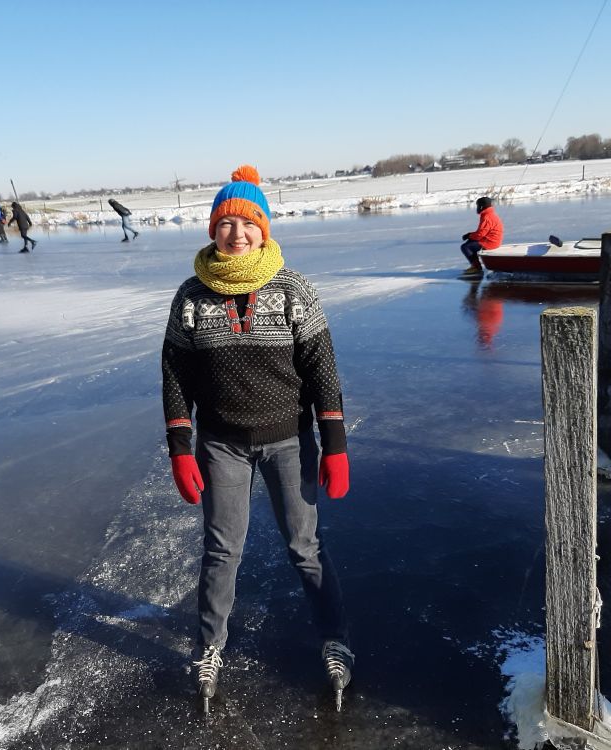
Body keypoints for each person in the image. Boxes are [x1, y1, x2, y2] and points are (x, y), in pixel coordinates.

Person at [161, 165, 354, 715]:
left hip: (290, 441)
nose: (236, 234)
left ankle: (336, 640)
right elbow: (175, 373)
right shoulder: (191, 297)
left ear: (264, 229)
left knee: (304, 547)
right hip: (221, 444)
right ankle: (209, 650)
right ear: (211, 230)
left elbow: (322, 369)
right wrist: (180, 446)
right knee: (223, 550)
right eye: (226, 224)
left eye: (247, 224)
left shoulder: (294, 288)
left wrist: (334, 443)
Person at [460, 196, 503, 273]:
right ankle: (475, 265)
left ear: (482, 206)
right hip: (490, 239)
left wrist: (469, 235)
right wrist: (470, 235)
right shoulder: (490, 214)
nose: (477, 208)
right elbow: (482, 232)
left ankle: (476, 267)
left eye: (478, 206)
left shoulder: (486, 217)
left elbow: (480, 234)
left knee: (465, 247)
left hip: (490, 242)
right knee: (470, 243)